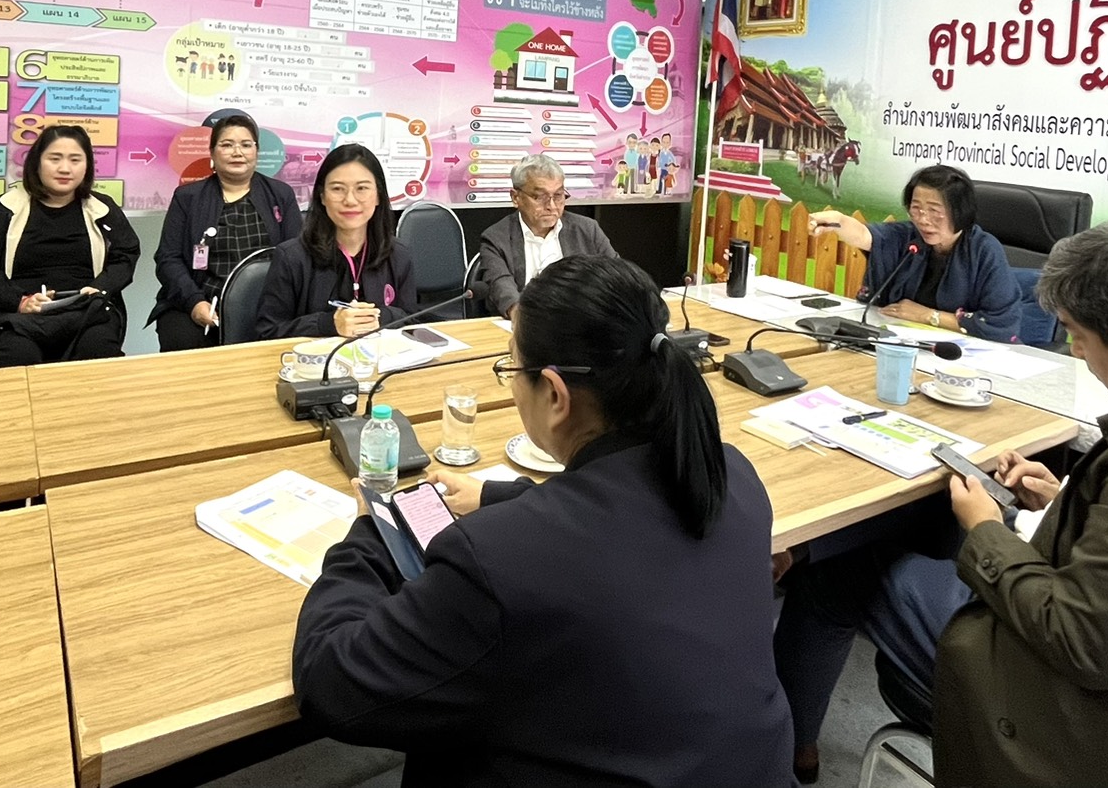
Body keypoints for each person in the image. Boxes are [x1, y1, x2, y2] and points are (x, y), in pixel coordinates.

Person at [774, 218, 1108, 788]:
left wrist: (987, 531)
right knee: (918, 532)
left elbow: (1084, 644)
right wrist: (1064, 500)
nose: (1076, 352)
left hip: (1070, 717)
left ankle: (787, 754)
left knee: (839, 572)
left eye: (1078, 336)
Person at [292, 255, 795, 786]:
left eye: (511, 368)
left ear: (555, 395)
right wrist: (500, 497)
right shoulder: (730, 475)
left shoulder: (499, 563)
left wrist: (373, 528)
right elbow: (613, 528)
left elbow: (331, 682)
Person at [0, 124, 139, 369]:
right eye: (55, 158)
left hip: (85, 312)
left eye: (75, 160)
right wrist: (19, 301)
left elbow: (126, 254)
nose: (65, 168)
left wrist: (100, 288)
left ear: (87, 166)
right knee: (15, 356)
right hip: (15, 315)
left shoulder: (102, 209)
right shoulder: (3, 209)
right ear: (36, 163)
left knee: (98, 352)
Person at [809, 163, 1021, 341]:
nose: (923, 219)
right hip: (900, 341)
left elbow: (1000, 324)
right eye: (916, 208)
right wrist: (838, 221)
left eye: (934, 211)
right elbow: (865, 235)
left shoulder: (984, 250)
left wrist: (928, 315)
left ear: (960, 212)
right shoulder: (908, 236)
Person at [148, 112, 302, 350]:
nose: (237, 152)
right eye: (227, 145)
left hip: (266, 305)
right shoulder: (188, 197)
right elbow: (168, 259)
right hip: (202, 301)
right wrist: (194, 302)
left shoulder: (281, 194)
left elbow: (296, 257)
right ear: (212, 152)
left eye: (246, 145)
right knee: (182, 339)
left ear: (257, 151)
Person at [255, 144, 416, 340]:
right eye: (338, 189)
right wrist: (327, 324)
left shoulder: (398, 253)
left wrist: (381, 317)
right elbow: (267, 331)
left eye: (362, 188)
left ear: (378, 196)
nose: (350, 200)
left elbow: (412, 320)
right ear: (322, 196)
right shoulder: (291, 258)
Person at [476, 153, 616, 318]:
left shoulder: (587, 230)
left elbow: (617, 277)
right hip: (526, 322)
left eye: (558, 195)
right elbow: (501, 285)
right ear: (516, 198)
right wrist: (521, 317)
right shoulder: (496, 238)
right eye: (540, 197)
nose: (551, 206)